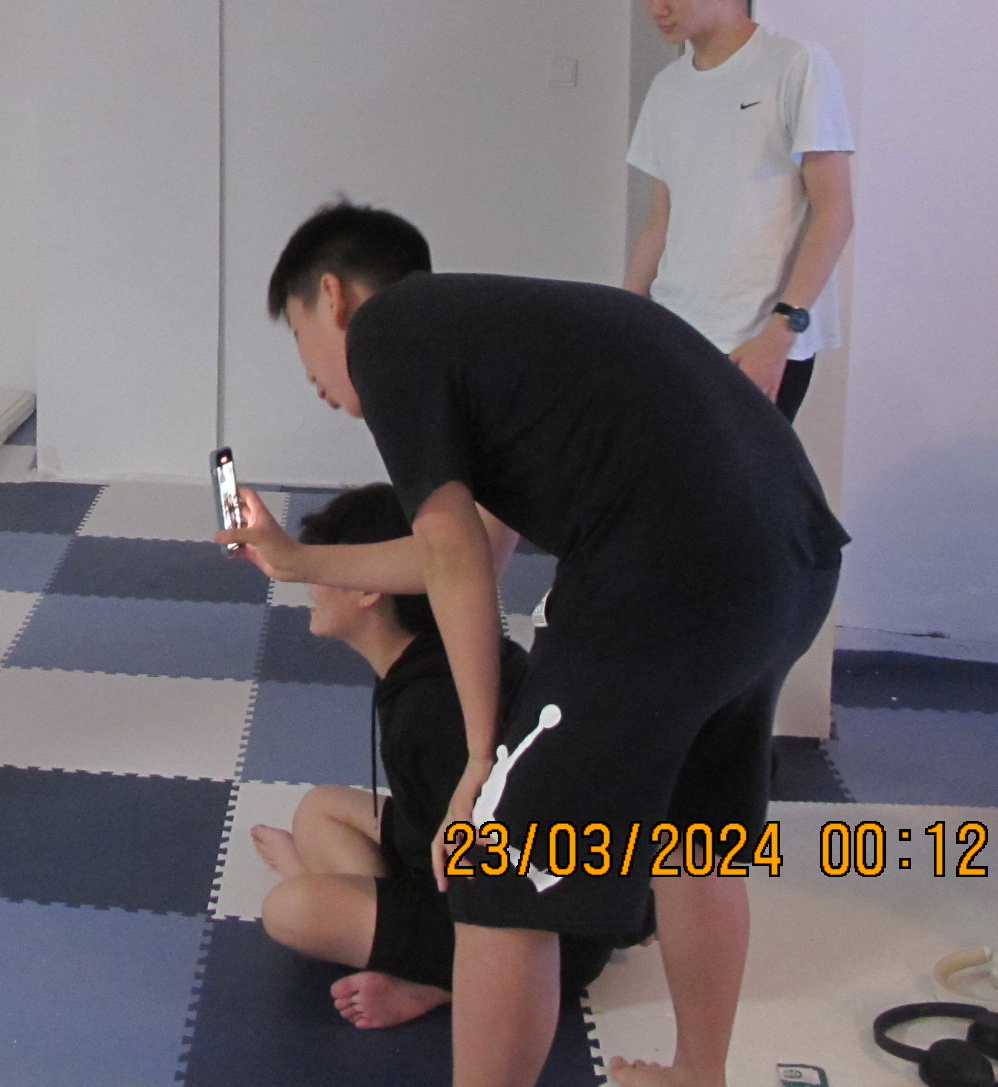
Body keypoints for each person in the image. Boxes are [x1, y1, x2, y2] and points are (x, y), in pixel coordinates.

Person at [227, 202, 845, 1087]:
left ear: (332, 298)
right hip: (790, 561)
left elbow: (453, 553)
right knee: (694, 837)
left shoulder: (389, 332)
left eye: (297, 335)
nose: (313, 377)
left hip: (667, 575)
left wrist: (483, 759)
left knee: (498, 866)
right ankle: (696, 1076)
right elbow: (467, 551)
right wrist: (294, 560)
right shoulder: (498, 343)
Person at [251, 485, 621, 1031]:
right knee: (320, 808)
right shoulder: (442, 658)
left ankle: (432, 984)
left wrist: (321, 891)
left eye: (322, 567)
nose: (309, 584)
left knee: (289, 910)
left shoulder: (430, 710)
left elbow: (492, 872)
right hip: (513, 869)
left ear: (369, 589)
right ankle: (372, 924)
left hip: (542, 938)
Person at [623, 0, 855, 420]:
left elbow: (834, 211)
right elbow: (661, 219)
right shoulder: (668, 88)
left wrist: (782, 330)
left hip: (757, 339)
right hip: (675, 329)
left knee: (742, 475)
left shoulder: (796, 65)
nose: (657, 6)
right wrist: (624, 318)